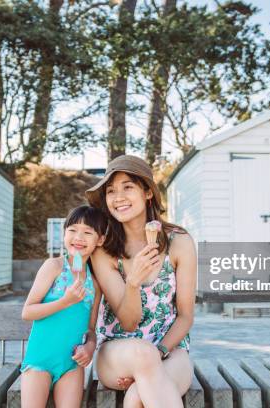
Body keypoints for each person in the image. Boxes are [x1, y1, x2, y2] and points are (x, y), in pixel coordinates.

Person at [86, 155, 197, 408]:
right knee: (143, 354)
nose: (118, 197)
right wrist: (133, 281)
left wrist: (160, 352)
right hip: (118, 353)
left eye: (128, 187)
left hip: (170, 349)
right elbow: (129, 321)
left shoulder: (179, 242)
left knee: (138, 396)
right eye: (111, 191)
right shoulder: (104, 250)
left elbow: (186, 316)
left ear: (147, 192)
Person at [20, 205, 106, 408]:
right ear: (64, 233)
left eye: (87, 232)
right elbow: (27, 311)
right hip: (39, 360)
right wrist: (65, 301)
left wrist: (90, 347)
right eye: (73, 230)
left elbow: (91, 329)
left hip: (71, 365)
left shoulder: (94, 284)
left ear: (100, 240)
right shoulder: (54, 267)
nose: (79, 237)